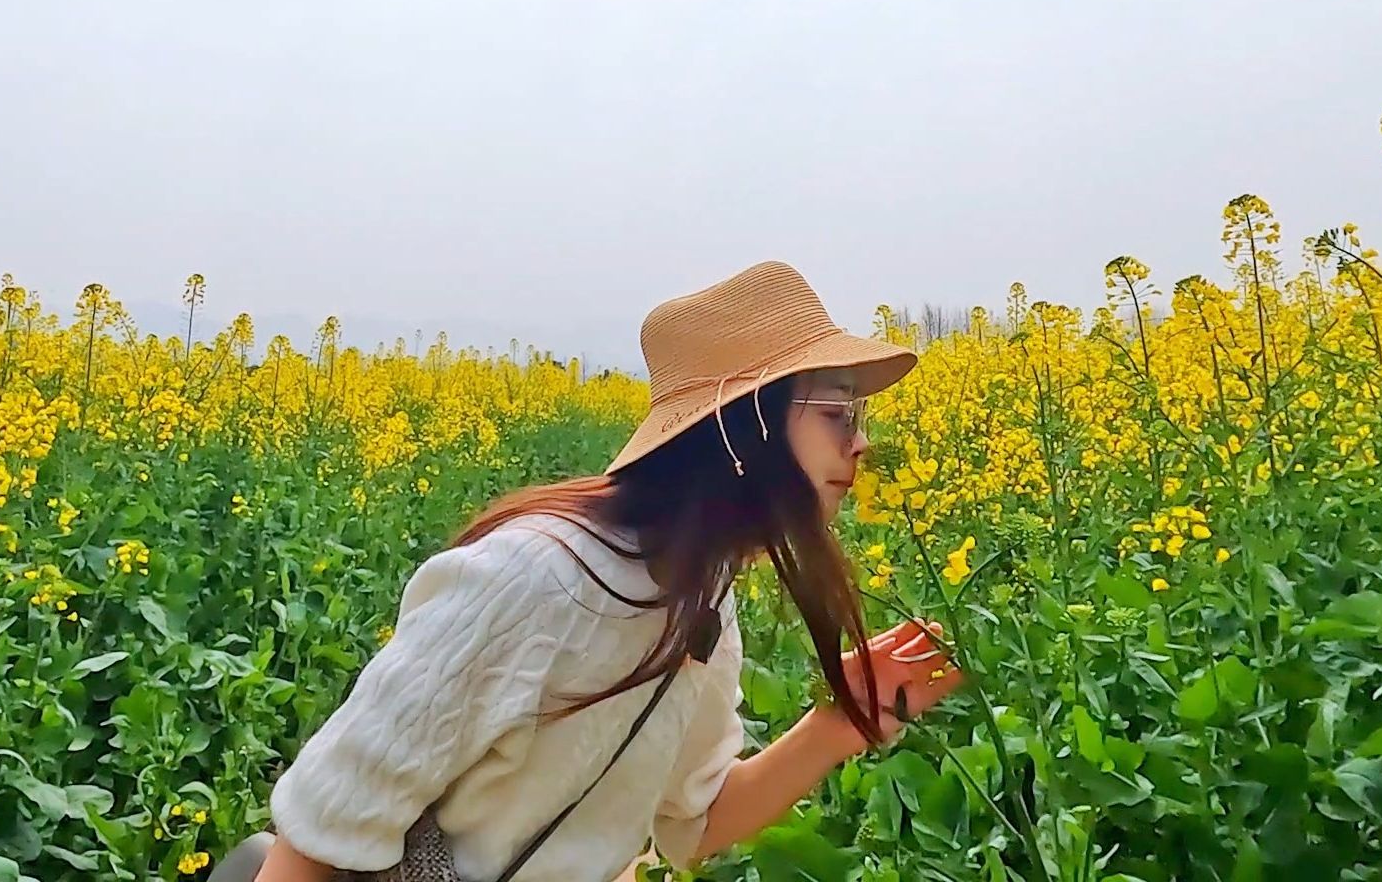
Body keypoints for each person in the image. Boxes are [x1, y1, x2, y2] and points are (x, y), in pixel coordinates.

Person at [221, 260, 964, 882]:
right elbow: (320, 835)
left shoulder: (702, 597)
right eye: (839, 412)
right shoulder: (528, 579)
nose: (861, 445)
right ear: (750, 425)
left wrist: (841, 723)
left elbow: (694, 823)